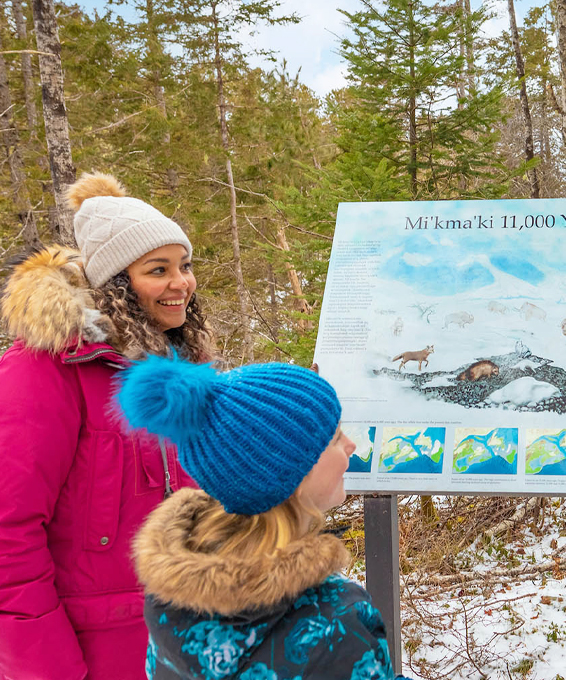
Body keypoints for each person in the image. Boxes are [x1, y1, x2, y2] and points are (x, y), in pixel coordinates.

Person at [0, 174, 212, 679]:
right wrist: (49, 669)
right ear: (116, 282)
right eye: (157, 270)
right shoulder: (45, 369)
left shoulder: (183, 364)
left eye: (184, 265)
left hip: (193, 636)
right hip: (95, 650)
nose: (180, 283)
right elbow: (8, 531)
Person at [118, 354, 403, 679]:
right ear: (291, 477)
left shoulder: (170, 604)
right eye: (335, 438)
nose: (350, 445)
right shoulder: (335, 624)